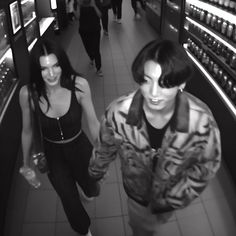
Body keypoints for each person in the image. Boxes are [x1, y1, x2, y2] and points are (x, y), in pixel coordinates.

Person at [88, 39, 221, 236]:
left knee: (157, 221)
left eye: (164, 83)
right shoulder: (118, 113)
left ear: (181, 82)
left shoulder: (201, 120)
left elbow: (207, 164)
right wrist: (96, 171)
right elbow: (105, 146)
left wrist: (175, 197)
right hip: (137, 195)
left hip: (170, 195)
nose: (153, 93)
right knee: (142, 229)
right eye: (146, 80)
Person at [19, 38, 100, 236]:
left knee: (92, 189)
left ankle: (86, 190)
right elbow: (27, 130)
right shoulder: (28, 94)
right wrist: (26, 163)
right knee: (68, 199)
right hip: (53, 153)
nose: (52, 73)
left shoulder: (79, 85)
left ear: (62, 64)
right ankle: (84, 230)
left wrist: (102, 152)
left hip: (80, 147)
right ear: (37, 70)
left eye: (55, 66)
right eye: (44, 69)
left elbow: (93, 122)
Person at [77, 0, 103, 76]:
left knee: (96, 49)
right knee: (87, 48)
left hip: (95, 30)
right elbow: (77, 17)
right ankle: (92, 58)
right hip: (83, 31)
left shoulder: (96, 2)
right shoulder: (79, 3)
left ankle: (99, 68)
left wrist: (94, 5)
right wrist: (78, 6)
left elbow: (100, 15)